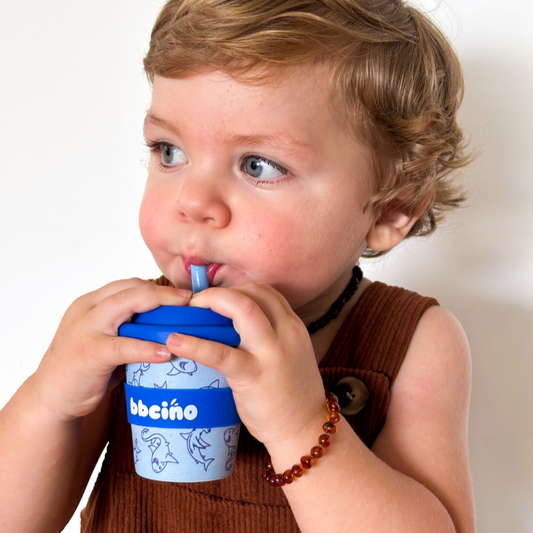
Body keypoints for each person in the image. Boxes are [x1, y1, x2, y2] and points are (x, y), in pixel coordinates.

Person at [0, 0, 476, 531]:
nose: (192, 201)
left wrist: (299, 425)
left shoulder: (414, 343)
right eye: (169, 151)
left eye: (258, 165)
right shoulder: (129, 332)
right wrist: (50, 399)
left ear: (392, 207)